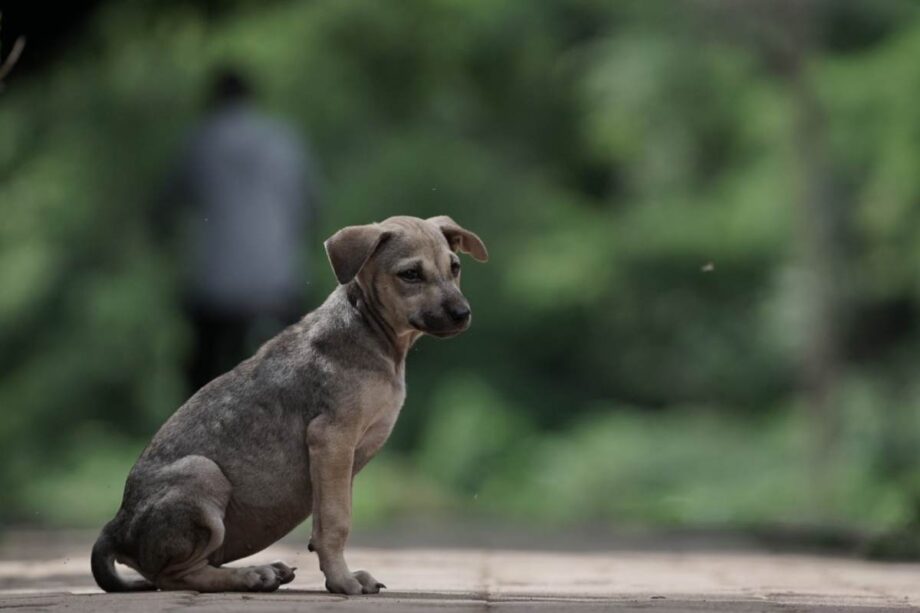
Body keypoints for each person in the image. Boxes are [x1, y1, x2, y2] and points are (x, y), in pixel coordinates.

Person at [161, 67, 319, 392]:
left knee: (204, 377)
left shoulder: (199, 141)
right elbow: (310, 205)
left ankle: (200, 438)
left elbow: (168, 207)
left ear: (213, 98)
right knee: (303, 367)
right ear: (252, 96)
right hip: (279, 279)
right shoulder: (283, 138)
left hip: (216, 284)